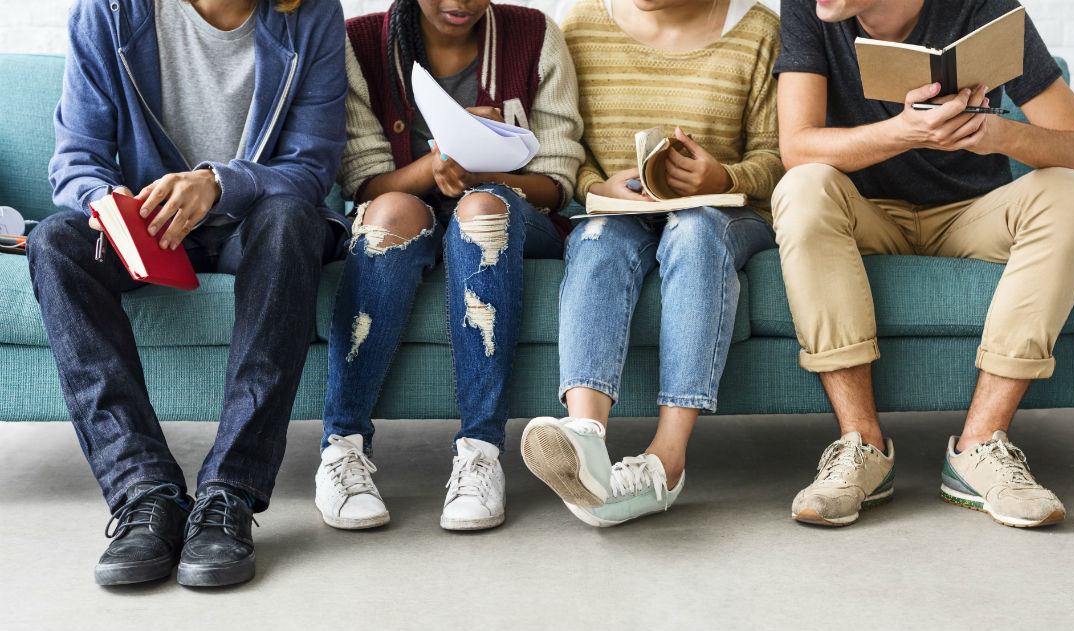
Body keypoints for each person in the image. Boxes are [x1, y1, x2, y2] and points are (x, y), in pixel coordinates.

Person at [31, 0, 348, 585]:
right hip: (150, 228)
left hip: (255, 221)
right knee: (55, 242)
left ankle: (231, 491)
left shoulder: (311, 14)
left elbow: (312, 166)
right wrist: (112, 206)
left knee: (293, 220)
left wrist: (218, 183)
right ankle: (143, 490)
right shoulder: (110, 12)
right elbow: (76, 158)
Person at [770, 0, 1074, 527]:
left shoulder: (985, 10)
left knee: (1069, 190)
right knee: (803, 185)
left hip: (971, 216)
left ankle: (981, 446)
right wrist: (906, 131)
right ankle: (860, 446)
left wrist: (998, 133)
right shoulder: (809, 8)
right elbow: (796, 149)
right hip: (867, 216)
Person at [314, 0, 583, 531]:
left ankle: (480, 452)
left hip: (507, 211)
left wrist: (483, 164)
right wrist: (437, 163)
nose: (458, 3)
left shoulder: (534, 36)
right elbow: (363, 183)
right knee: (390, 213)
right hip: (404, 206)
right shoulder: (362, 43)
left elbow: (557, 183)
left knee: (478, 210)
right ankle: (340, 448)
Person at [520, 0, 784, 527]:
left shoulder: (758, 31)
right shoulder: (579, 27)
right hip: (622, 211)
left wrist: (722, 178)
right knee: (593, 240)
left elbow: (778, 158)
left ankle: (667, 459)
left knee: (694, 230)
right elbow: (567, 149)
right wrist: (598, 184)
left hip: (723, 213)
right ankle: (586, 443)